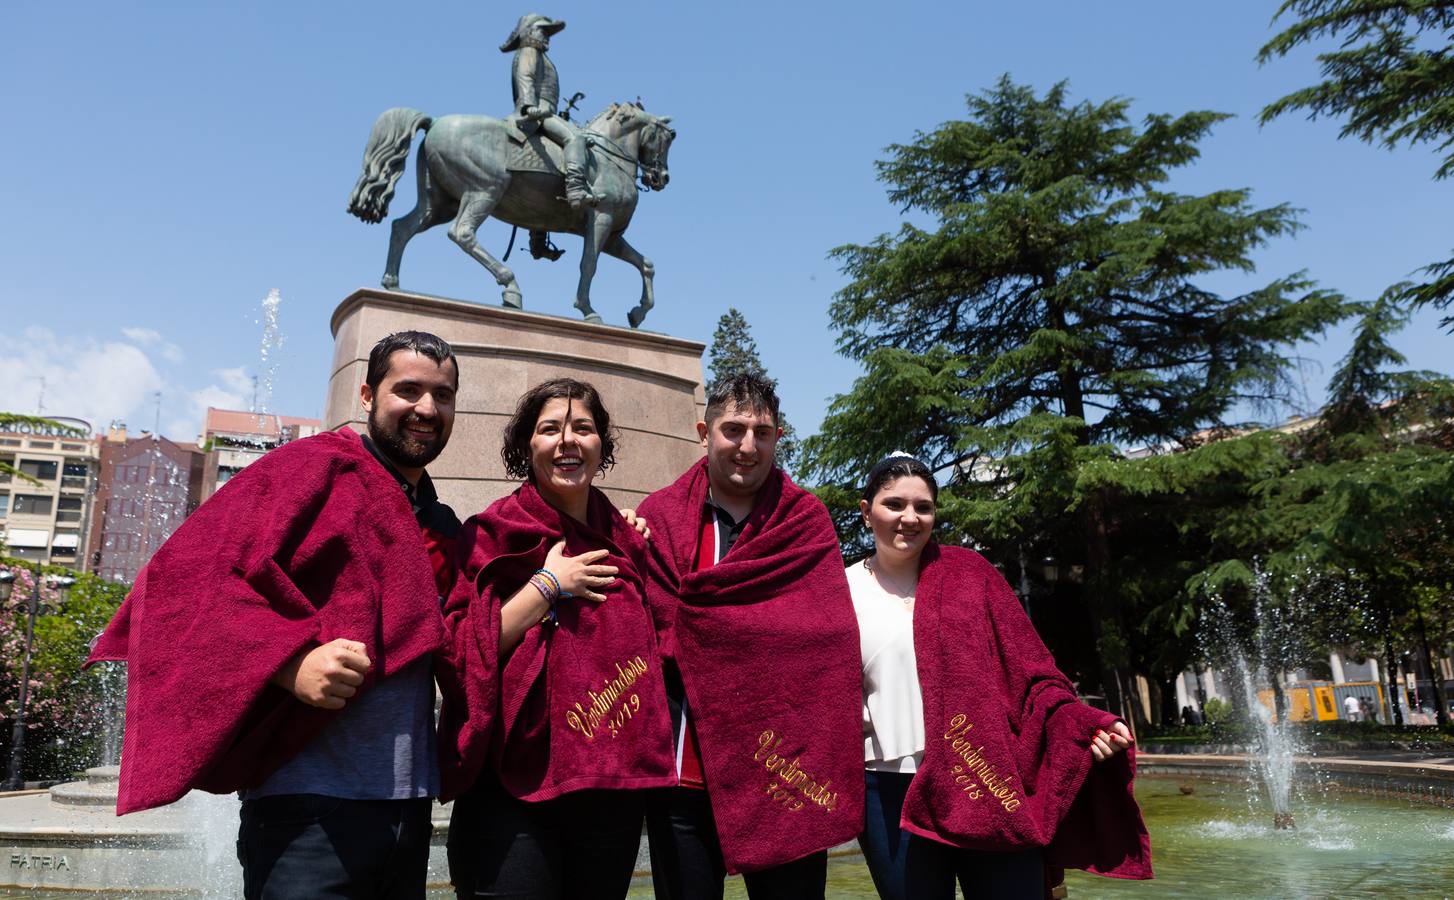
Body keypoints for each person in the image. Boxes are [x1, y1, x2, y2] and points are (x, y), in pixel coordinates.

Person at [89, 331, 475, 900]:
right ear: (367, 395)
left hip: (406, 805)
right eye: (408, 390)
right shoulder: (309, 468)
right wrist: (290, 661)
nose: (426, 409)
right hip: (306, 805)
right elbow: (185, 579)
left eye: (442, 396)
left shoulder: (440, 523)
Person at [849, 454, 1152, 900]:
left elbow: (1034, 674)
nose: (909, 518)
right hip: (886, 788)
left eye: (924, 507)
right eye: (894, 504)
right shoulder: (841, 590)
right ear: (866, 510)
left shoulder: (972, 575)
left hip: (985, 775)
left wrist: (1083, 723)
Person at [443, 378, 676, 900]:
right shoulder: (489, 534)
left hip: (609, 787)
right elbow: (460, 651)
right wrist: (548, 586)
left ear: (602, 446)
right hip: (511, 792)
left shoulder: (626, 539)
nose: (567, 441)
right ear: (527, 444)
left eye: (584, 429)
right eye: (550, 428)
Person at [635, 373, 864, 900]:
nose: (747, 446)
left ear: (777, 437)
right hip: (683, 774)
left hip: (784, 770)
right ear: (703, 431)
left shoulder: (805, 521)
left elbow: (829, 640)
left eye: (761, 433)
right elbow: (641, 631)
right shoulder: (659, 518)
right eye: (733, 430)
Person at [500, 13, 597, 209]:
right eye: (542, 31)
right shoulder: (529, 51)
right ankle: (575, 189)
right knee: (575, 138)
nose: (547, 36)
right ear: (528, 31)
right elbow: (525, 77)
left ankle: (538, 237)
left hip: (547, 112)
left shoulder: (540, 55)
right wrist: (529, 107)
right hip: (538, 114)